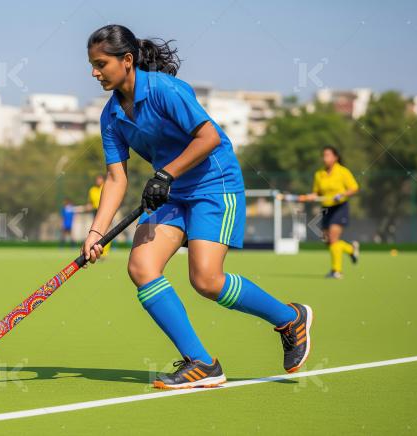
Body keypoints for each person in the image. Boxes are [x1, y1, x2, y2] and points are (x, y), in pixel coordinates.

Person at [83, 25, 313, 389]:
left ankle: (289, 318)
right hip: (172, 191)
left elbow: (209, 137)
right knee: (142, 266)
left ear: (127, 61)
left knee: (206, 279)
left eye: (100, 64)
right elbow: (116, 178)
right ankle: (202, 363)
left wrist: (166, 173)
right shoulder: (111, 117)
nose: (94, 72)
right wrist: (97, 233)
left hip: (213, 185)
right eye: (91, 65)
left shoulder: (165, 90)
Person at [298, 146, 360, 279]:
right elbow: (316, 193)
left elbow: (354, 188)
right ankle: (350, 249)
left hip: (339, 207)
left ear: (335, 157)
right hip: (326, 209)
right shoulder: (319, 174)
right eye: (324, 155)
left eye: (328, 155)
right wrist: (311, 196)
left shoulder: (343, 171)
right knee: (327, 240)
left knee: (333, 239)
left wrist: (342, 194)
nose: (325, 158)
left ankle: (336, 271)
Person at [86, 175, 111, 257]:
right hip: (95, 211)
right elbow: (90, 202)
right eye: (97, 179)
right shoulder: (92, 190)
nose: (98, 181)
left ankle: (105, 251)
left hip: (105, 210)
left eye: (99, 179)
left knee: (106, 231)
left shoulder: (106, 187)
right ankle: (96, 249)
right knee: (95, 231)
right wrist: (88, 206)